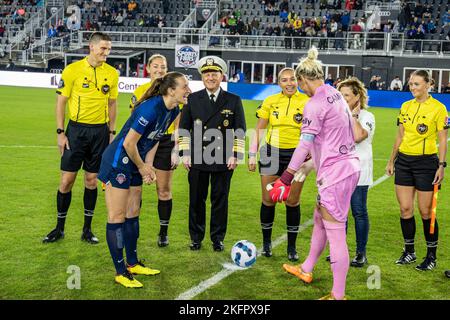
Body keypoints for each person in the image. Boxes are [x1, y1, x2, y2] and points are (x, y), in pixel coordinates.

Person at [270, 47, 360, 300]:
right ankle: (307, 268)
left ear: (303, 79)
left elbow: (304, 144)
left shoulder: (314, 103)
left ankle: (338, 295)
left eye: (299, 83)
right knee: (320, 218)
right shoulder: (334, 93)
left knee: (335, 230)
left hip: (335, 173)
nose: (300, 88)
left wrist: (285, 177)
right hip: (346, 167)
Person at [98, 71, 190, 288]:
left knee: (133, 213)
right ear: (170, 90)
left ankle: (132, 263)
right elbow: (129, 143)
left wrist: (147, 165)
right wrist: (142, 167)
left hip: (136, 161)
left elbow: (154, 139)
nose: (188, 90)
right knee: (117, 215)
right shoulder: (150, 108)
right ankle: (121, 272)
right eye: (185, 86)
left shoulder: (173, 109)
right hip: (118, 162)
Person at [43, 32, 119, 244]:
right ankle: (59, 228)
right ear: (92, 47)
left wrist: (111, 132)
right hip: (76, 131)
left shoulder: (112, 73)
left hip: (100, 133)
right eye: (103, 48)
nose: (107, 52)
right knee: (66, 180)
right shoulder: (73, 70)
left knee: (92, 180)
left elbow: (112, 104)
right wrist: (60, 133)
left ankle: (87, 230)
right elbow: (61, 102)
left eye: (109, 48)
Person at [179, 56, 246, 252]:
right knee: (196, 200)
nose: (210, 77)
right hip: (198, 157)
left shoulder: (233, 100)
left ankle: (217, 238)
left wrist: (236, 154)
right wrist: (185, 153)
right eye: (207, 74)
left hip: (223, 158)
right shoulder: (192, 99)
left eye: (214, 74)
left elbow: (240, 129)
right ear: (202, 77)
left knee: (220, 201)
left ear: (221, 76)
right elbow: (184, 128)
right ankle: (196, 237)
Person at [385, 69, 448, 271]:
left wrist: (441, 165)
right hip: (404, 162)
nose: (412, 87)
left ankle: (431, 256)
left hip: (426, 164)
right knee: (405, 209)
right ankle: (409, 252)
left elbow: (442, 139)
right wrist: (391, 160)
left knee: (426, 211)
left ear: (428, 84)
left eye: (417, 84)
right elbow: (399, 135)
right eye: (411, 84)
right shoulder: (405, 106)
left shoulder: (439, 109)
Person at [248, 67, 310, 261]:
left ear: (298, 80)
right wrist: (251, 154)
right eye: (284, 80)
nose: (289, 83)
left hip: (297, 156)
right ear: (279, 83)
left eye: (292, 79)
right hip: (271, 153)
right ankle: (266, 244)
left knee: (292, 201)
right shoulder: (270, 101)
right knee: (268, 199)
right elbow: (259, 129)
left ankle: (291, 247)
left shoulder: (308, 101)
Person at [129, 54, 179, 247]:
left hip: (166, 142)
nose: (159, 70)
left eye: (163, 66)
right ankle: (133, 229)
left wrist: (176, 148)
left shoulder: (173, 91)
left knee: (164, 190)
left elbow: (177, 122)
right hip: (143, 142)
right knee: (136, 190)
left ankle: (163, 232)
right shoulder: (140, 91)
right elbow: (134, 120)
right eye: (156, 66)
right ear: (148, 68)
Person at [337, 77, 375, 267]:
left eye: (346, 95)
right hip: (340, 170)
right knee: (340, 213)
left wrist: (353, 115)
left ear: (357, 97)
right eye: (340, 95)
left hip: (359, 170)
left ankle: (361, 253)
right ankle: (339, 251)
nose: (342, 99)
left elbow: (359, 136)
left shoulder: (367, 117)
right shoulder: (336, 114)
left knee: (358, 211)